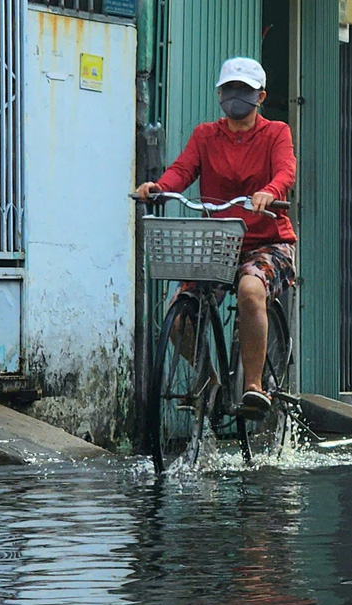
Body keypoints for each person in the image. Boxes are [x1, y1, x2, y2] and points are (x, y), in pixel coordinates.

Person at [136, 56, 297, 413]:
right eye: (229, 89)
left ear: (260, 96)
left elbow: (286, 171)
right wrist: (159, 187)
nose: (235, 95)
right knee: (178, 316)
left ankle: (253, 386)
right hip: (221, 240)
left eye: (244, 90)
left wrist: (271, 191)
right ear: (220, 94)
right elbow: (182, 169)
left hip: (268, 241)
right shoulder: (206, 135)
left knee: (251, 289)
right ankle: (210, 380)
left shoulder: (275, 133)